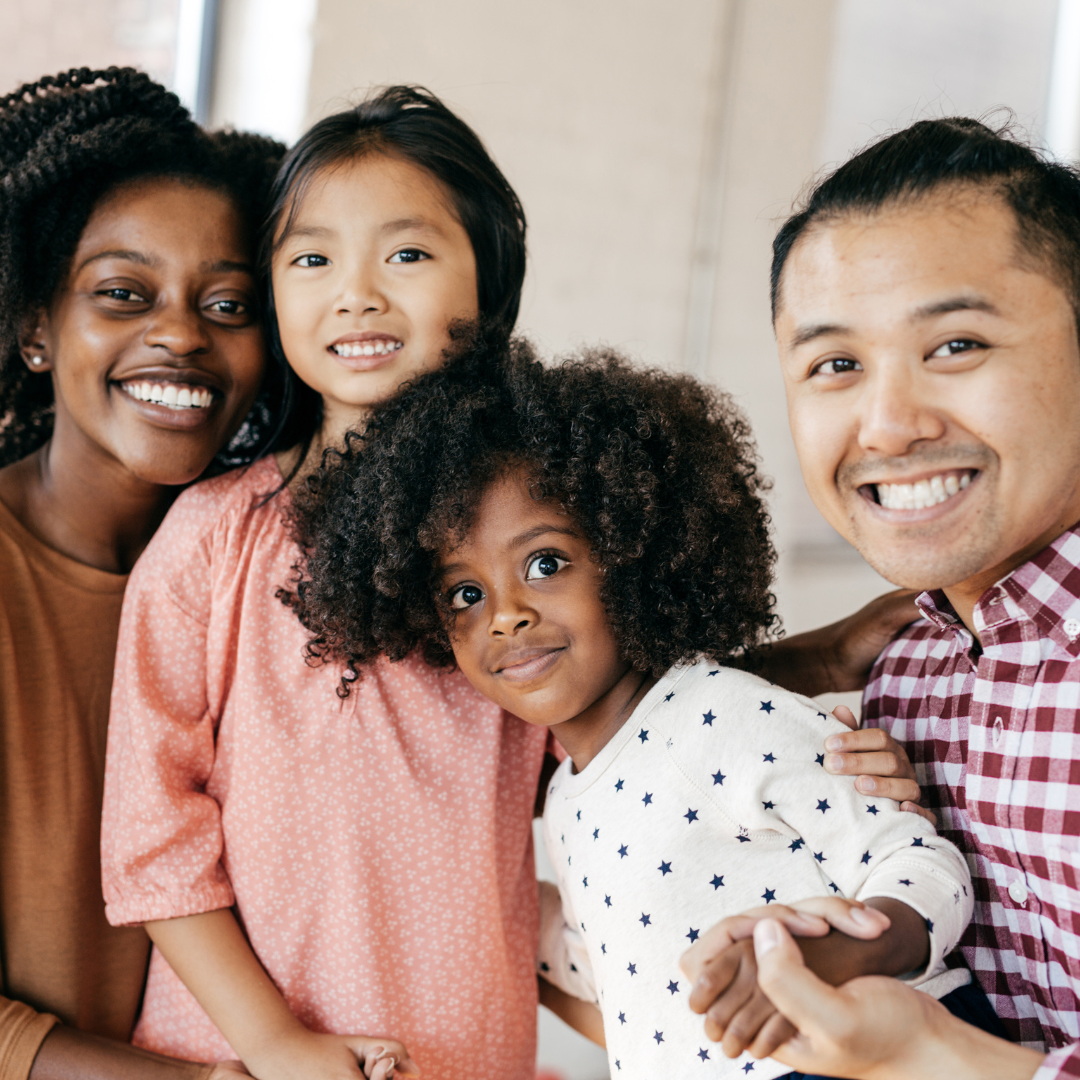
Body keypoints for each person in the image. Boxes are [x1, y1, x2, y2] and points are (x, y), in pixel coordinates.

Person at [281, 335, 998, 1080]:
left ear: (635, 552)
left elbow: (918, 860)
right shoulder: (567, 798)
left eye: (545, 563)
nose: (506, 615)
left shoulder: (724, 715)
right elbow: (635, 979)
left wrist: (839, 953)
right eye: (465, 594)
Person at [684, 116, 1080, 1078]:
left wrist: (941, 1057)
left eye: (954, 345)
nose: (891, 425)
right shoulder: (902, 679)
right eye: (835, 366)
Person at [0, 67, 284, 1079]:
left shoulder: (271, 563)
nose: (179, 335)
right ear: (36, 327)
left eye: (228, 303)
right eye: (124, 293)